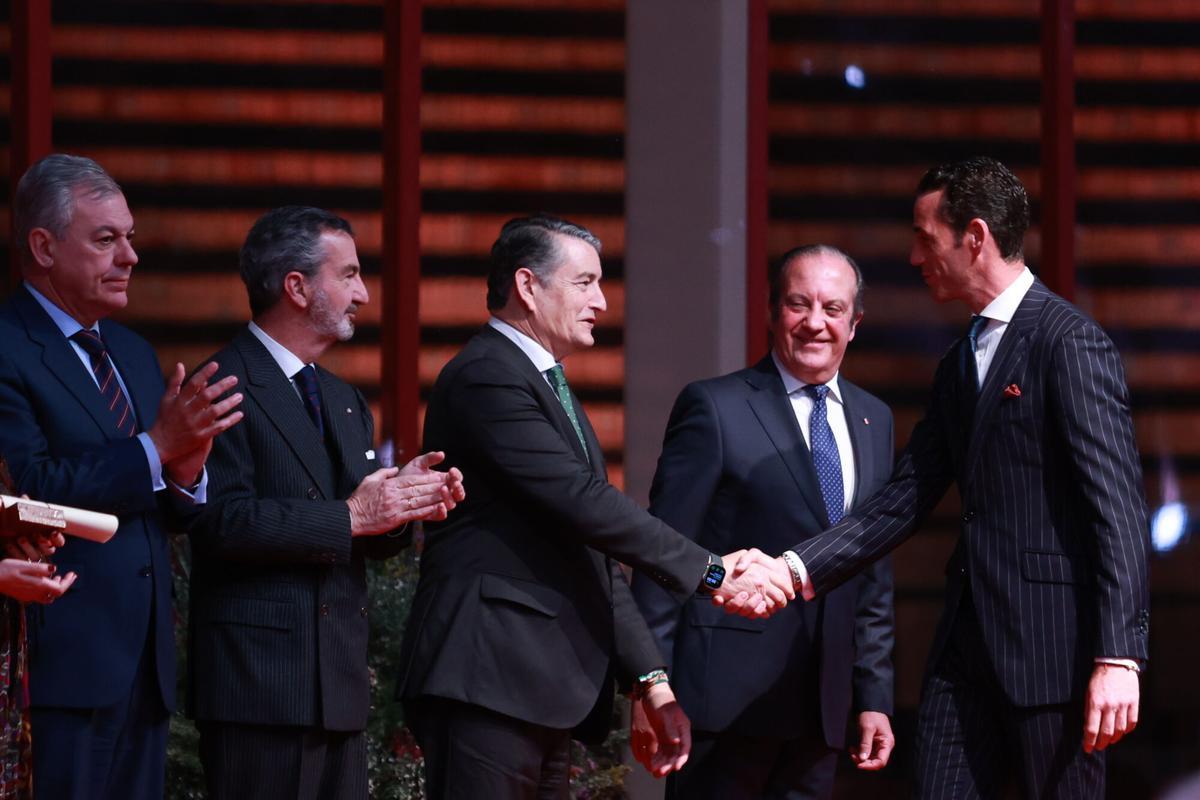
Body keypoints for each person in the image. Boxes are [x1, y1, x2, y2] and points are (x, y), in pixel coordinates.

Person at [733, 157, 1150, 798]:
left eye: (926, 238)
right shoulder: (959, 363)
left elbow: (1116, 508)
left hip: (1055, 659)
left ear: (974, 237)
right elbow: (902, 499)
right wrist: (794, 569)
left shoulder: (1068, 342)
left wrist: (1119, 655)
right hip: (965, 653)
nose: (912, 255)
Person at [395, 214, 796, 798]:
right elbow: (585, 504)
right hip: (487, 679)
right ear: (528, 286)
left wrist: (652, 682)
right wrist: (712, 572)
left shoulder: (546, 385)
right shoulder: (487, 377)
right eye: (585, 283)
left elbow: (592, 546)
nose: (602, 302)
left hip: (537, 689)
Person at [186, 206, 465, 800]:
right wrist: (351, 516)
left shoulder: (341, 397)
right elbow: (219, 521)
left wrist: (405, 502)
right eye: (350, 274)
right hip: (258, 690)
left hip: (338, 688)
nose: (363, 293)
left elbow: (363, 523)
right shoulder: (221, 384)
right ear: (296, 286)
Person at [0, 153, 244, 799]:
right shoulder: (7, 346)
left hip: (144, 667)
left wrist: (187, 472)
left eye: (129, 236)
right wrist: (156, 447)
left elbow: (165, 504)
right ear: (44, 246)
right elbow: (25, 495)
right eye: (106, 239)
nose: (130, 256)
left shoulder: (132, 352)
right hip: (56, 664)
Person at [631, 245, 896, 799]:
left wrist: (873, 695)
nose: (815, 322)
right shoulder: (715, 406)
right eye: (799, 305)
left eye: (832, 308)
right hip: (720, 706)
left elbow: (872, 570)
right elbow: (663, 552)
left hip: (820, 711)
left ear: (855, 324)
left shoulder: (875, 419)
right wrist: (649, 685)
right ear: (773, 312)